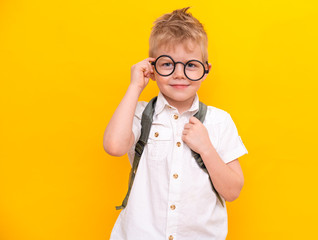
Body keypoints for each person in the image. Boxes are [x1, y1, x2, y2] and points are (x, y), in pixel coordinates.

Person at [103, 7, 248, 240]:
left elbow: (232, 191)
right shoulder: (140, 114)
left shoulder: (219, 121)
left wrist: (206, 148)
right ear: (152, 67)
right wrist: (135, 87)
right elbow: (114, 146)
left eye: (190, 65)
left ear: (205, 70)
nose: (179, 74)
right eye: (168, 64)